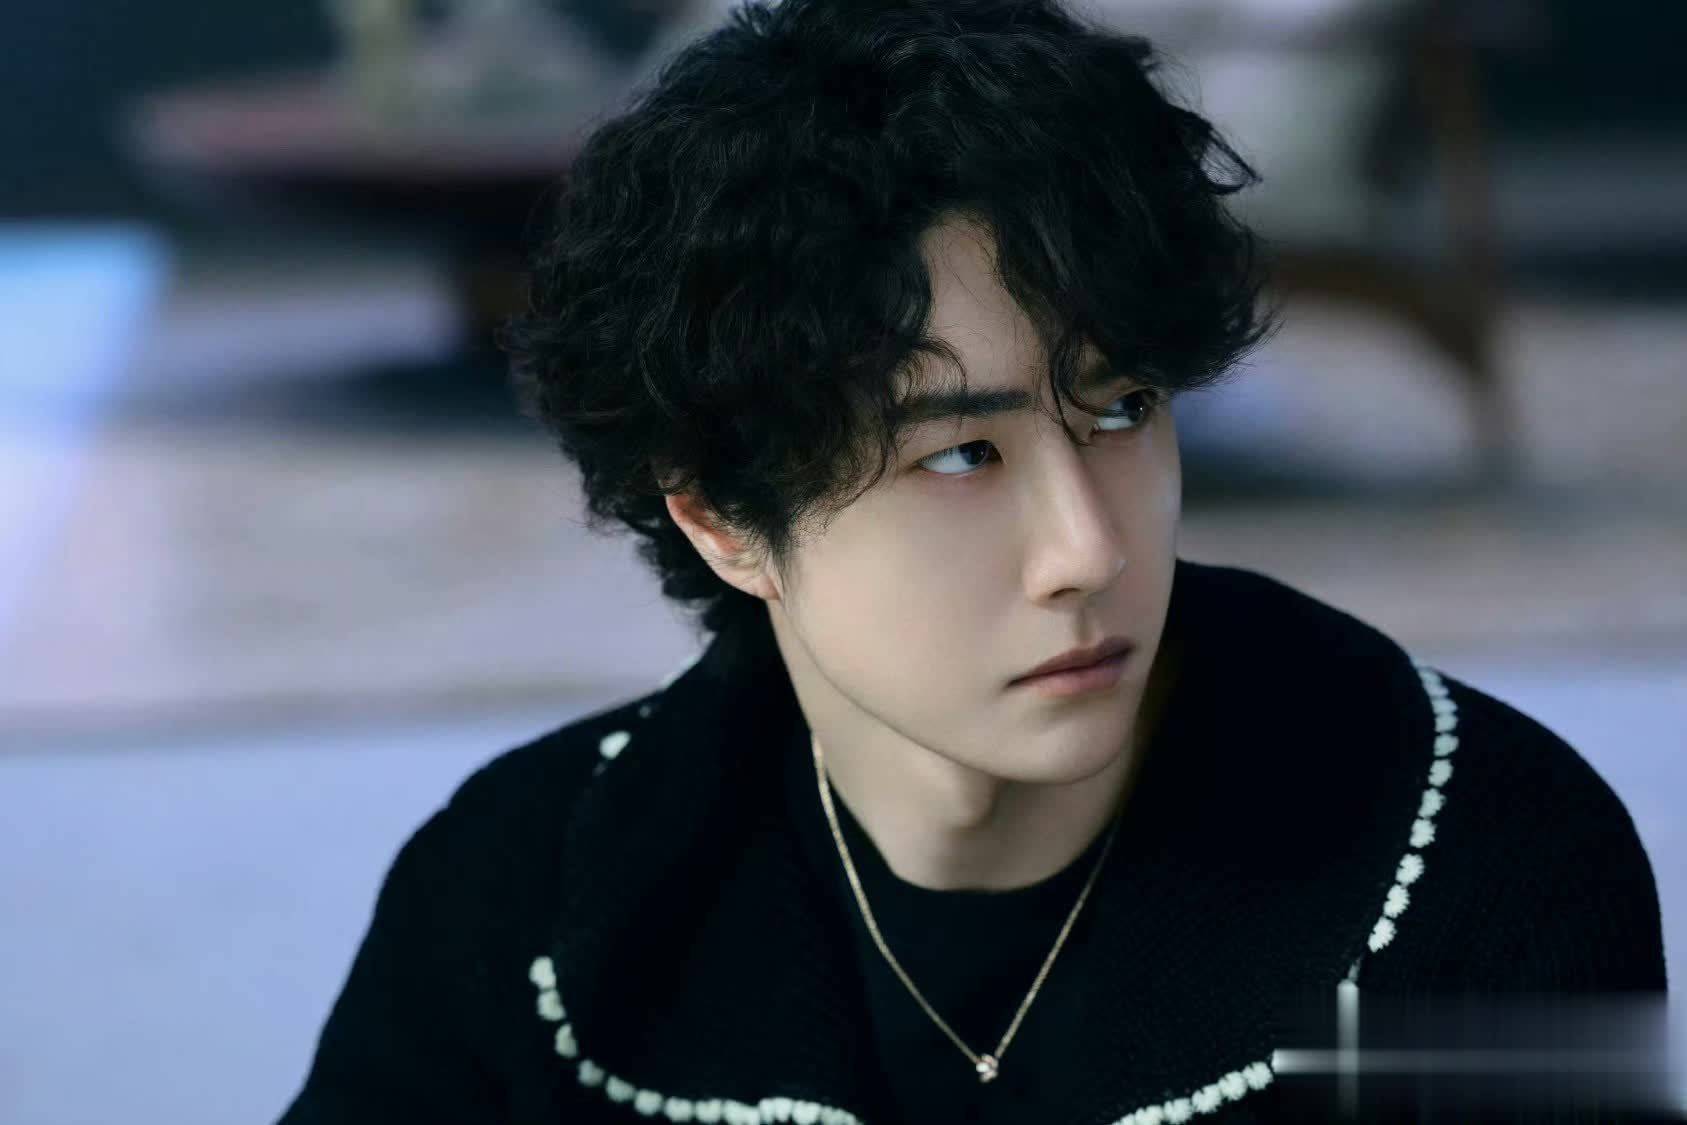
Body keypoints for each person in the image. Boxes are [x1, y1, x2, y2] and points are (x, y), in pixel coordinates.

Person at [275, 1, 1674, 1122]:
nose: (1089, 547)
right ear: (720, 519)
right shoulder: (521, 899)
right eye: (961, 456)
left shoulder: (1476, 859)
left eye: (1120, 409)